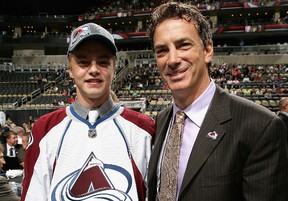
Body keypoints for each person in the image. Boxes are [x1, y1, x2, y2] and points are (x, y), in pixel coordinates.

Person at [146, 2, 288, 201]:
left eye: (183, 45)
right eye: (162, 50)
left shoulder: (259, 126)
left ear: (208, 50)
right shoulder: (161, 120)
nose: (172, 59)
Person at [21, 22, 155, 201]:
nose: (93, 70)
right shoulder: (44, 129)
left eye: (103, 62)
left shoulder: (143, 128)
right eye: (83, 62)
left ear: (114, 69)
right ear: (70, 69)